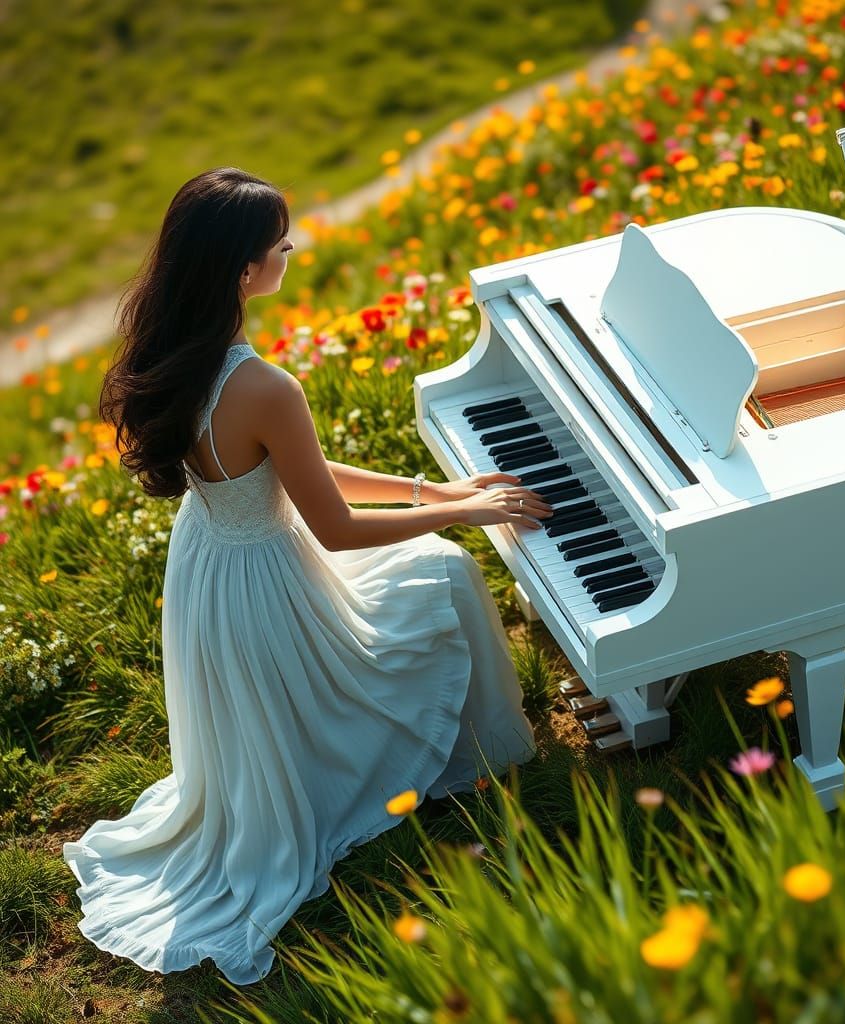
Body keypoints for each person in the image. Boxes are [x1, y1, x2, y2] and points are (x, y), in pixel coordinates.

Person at [62, 166, 552, 985]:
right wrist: (462, 515)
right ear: (246, 271)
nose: (291, 252)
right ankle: (483, 763)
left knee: (427, 555)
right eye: (281, 245)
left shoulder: (172, 351)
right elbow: (333, 525)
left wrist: (433, 488)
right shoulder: (263, 385)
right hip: (269, 576)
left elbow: (298, 471)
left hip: (214, 567)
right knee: (440, 571)